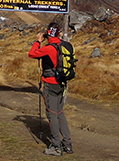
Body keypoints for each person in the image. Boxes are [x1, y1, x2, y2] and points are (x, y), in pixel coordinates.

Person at [29, 22, 72, 156]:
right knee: (60, 113)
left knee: (51, 114)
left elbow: (32, 54)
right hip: (61, 83)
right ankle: (68, 144)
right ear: (58, 33)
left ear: (48, 33)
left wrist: (38, 41)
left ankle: (56, 146)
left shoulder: (48, 48)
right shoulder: (63, 45)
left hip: (50, 84)